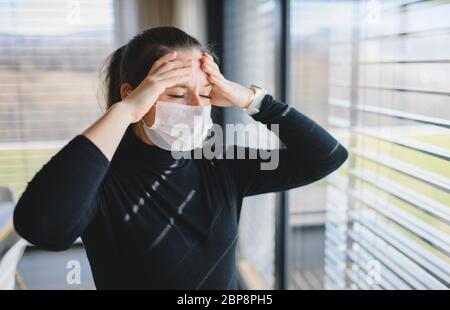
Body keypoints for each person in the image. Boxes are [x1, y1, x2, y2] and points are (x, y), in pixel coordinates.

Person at [13, 26, 348, 289]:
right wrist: (125, 112)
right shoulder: (101, 177)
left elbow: (326, 157)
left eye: (204, 93)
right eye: (176, 93)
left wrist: (250, 99)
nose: (197, 107)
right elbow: (42, 228)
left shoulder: (220, 162)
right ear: (133, 94)